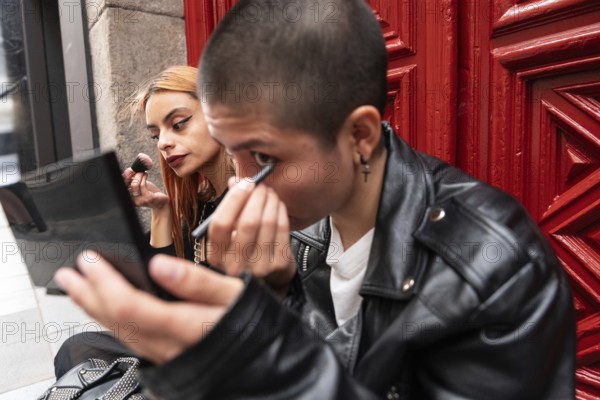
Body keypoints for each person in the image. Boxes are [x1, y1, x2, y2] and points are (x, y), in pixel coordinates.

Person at [54, 0, 576, 398]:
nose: (241, 181)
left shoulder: (493, 273)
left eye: (263, 156)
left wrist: (244, 348)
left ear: (360, 136)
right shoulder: (310, 215)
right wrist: (267, 296)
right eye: (232, 153)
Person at [53, 65, 234, 378]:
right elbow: (160, 297)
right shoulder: (201, 201)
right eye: (156, 134)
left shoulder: (249, 200)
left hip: (225, 356)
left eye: (178, 124)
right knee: (77, 348)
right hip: (186, 340)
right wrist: (160, 210)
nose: (163, 142)